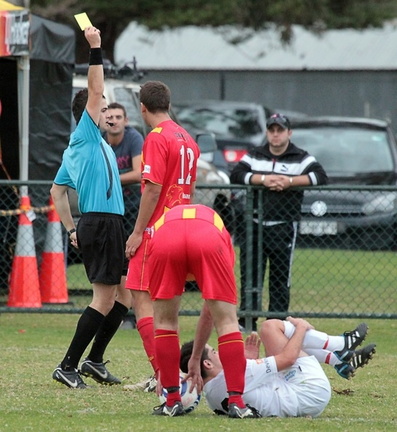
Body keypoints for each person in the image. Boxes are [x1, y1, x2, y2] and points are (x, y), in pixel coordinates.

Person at [51, 26, 129, 388]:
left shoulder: (87, 144)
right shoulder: (84, 134)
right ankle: (67, 365)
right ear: (89, 113)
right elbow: (95, 89)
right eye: (103, 109)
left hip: (105, 223)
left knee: (124, 296)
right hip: (100, 223)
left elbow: (56, 191)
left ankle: (94, 361)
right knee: (104, 298)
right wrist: (95, 48)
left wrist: (70, 229)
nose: (108, 114)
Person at [148, 203, 261, 418]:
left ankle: (172, 401)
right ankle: (237, 403)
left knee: (164, 323)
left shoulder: (164, 224)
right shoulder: (222, 235)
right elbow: (211, 311)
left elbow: (162, 322)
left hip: (165, 237)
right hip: (208, 235)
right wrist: (196, 356)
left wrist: (167, 368)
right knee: (227, 322)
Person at [124, 81, 200, 391]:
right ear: (168, 104)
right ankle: (171, 374)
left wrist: (138, 231)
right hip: (181, 226)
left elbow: (153, 188)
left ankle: (163, 375)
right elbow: (190, 190)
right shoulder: (188, 138)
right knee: (166, 308)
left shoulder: (156, 137)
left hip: (157, 232)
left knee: (140, 299)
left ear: (142, 108)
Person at [230, 113, 328, 329]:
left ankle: (276, 322)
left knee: (280, 277)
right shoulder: (256, 155)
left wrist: (289, 182)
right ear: (267, 132)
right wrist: (263, 180)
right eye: (272, 130)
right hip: (254, 225)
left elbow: (320, 176)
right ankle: (248, 319)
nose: (275, 135)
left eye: (280, 130)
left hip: (283, 225)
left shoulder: (300, 157)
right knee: (250, 274)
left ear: (288, 133)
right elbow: (236, 174)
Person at [180, 319, 376, 417]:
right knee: (270, 328)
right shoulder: (234, 374)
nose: (218, 352)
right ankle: (339, 345)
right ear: (207, 364)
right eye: (214, 352)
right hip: (310, 390)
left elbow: (257, 384)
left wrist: (250, 360)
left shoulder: (212, 396)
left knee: (277, 338)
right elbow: (288, 358)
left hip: (298, 397)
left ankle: (339, 359)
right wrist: (300, 327)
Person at [103, 102, 144, 235]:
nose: (114, 121)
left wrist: (110, 180)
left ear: (126, 121)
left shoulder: (134, 138)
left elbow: (138, 174)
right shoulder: (98, 141)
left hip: (132, 203)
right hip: (106, 204)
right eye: (110, 118)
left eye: (118, 117)